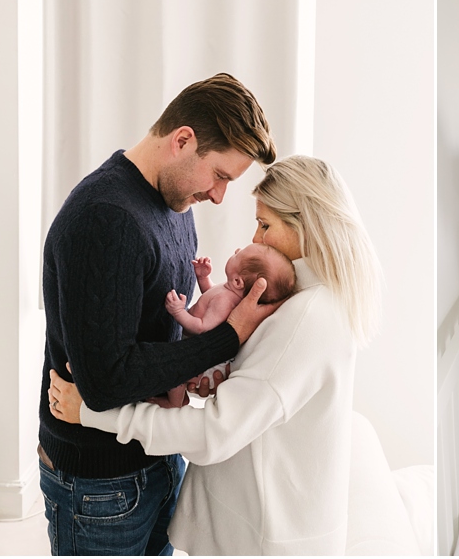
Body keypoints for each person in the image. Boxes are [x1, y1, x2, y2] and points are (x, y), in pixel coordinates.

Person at [49, 155, 383, 555]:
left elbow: (213, 434)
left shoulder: (305, 318)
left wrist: (93, 413)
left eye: (265, 225)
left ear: (307, 224)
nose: (257, 240)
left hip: (262, 539)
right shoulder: (308, 301)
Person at [38, 73, 281, 556]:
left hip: (156, 457)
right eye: (221, 176)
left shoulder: (172, 202)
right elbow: (106, 383)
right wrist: (225, 338)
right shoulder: (106, 218)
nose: (218, 196)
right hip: (99, 485)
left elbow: (158, 329)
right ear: (183, 141)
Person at [155, 243, 297, 408]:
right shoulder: (227, 293)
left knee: (176, 371)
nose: (236, 250)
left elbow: (201, 327)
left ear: (237, 281)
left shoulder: (226, 302)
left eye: (239, 254)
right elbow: (210, 296)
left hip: (199, 350)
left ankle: (175, 403)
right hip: (197, 343)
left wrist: (179, 312)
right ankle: (179, 398)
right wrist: (203, 278)